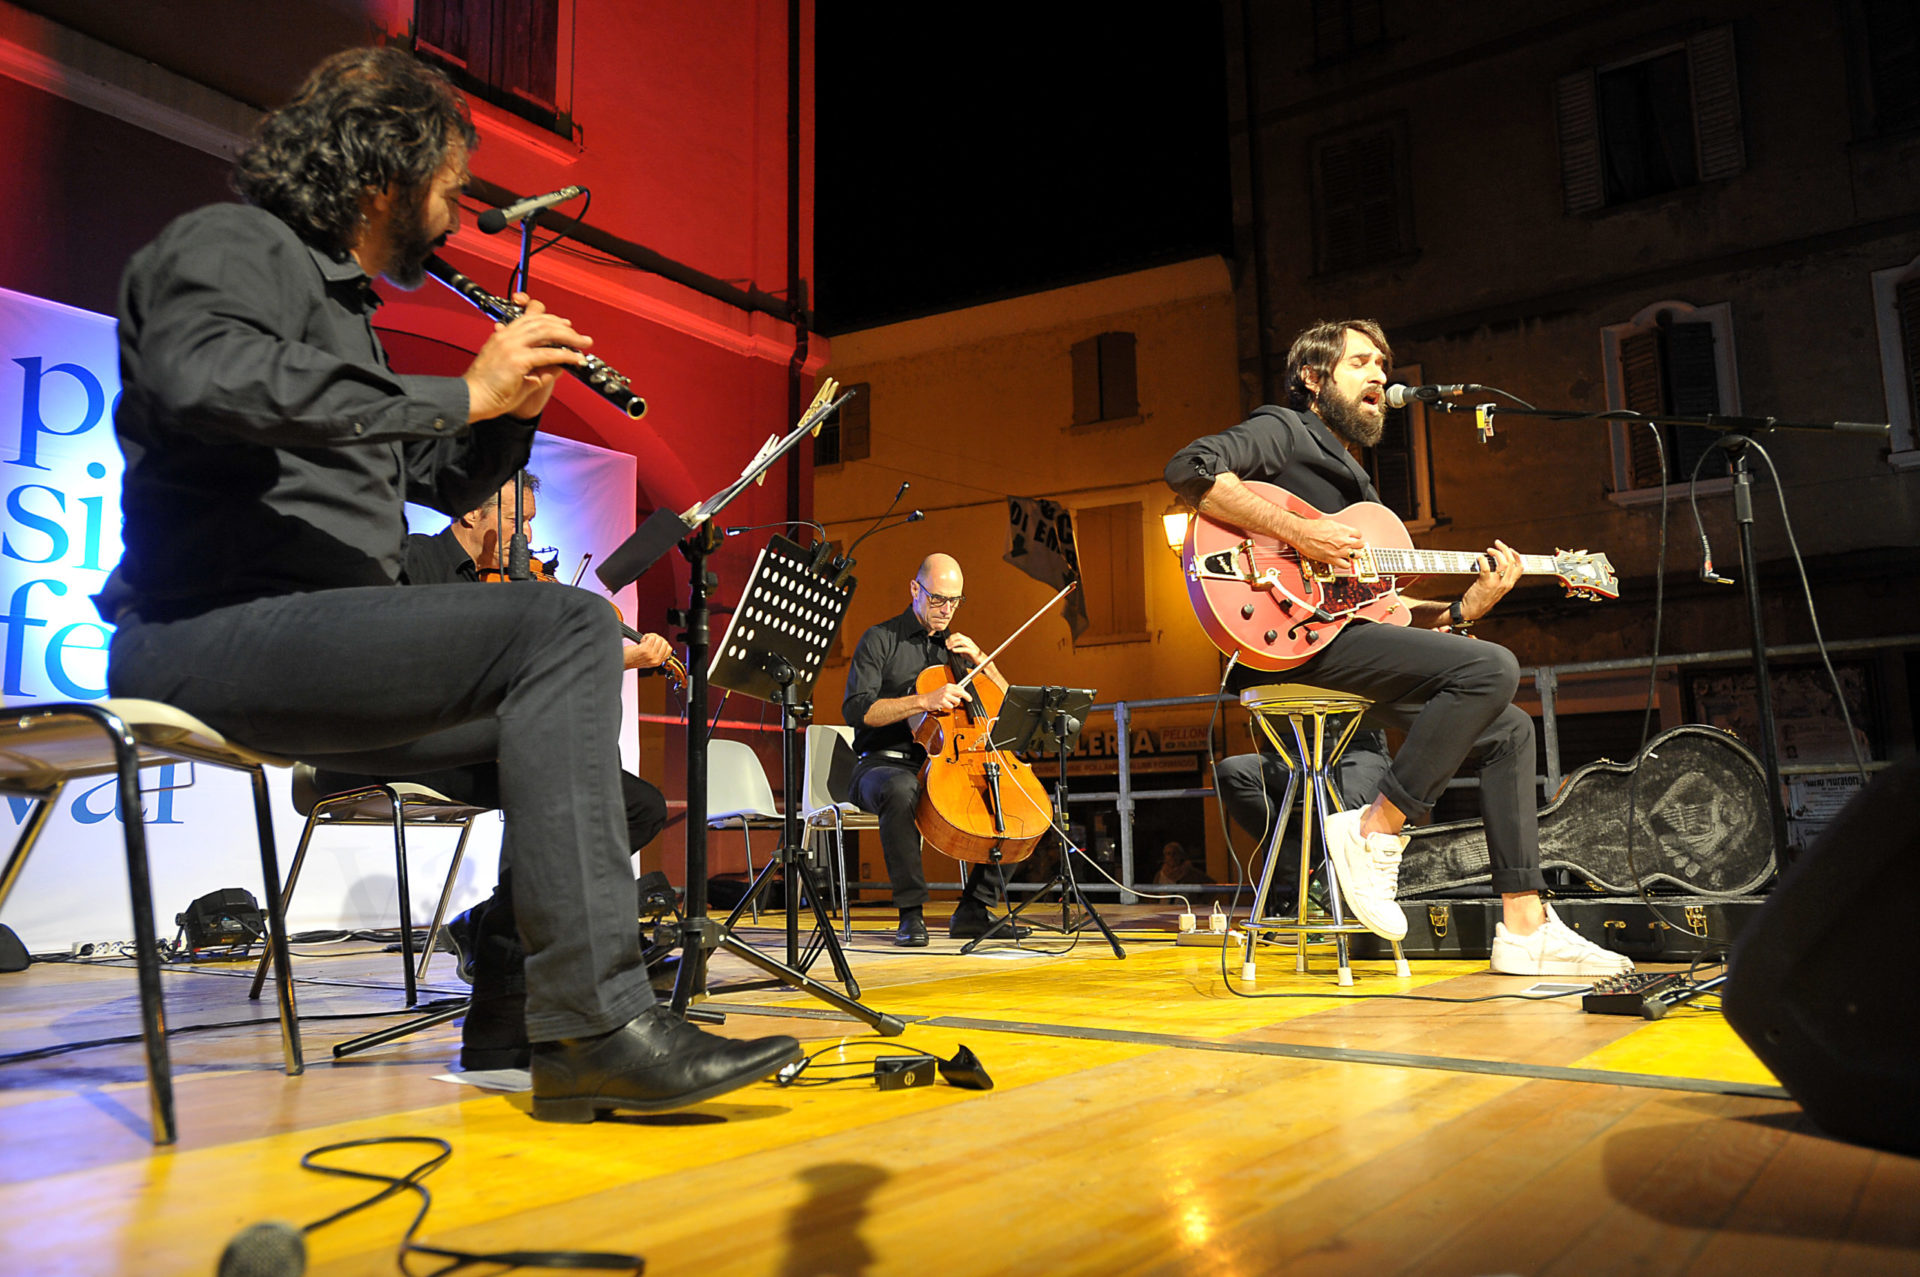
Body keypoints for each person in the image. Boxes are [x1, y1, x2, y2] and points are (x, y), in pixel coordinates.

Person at [97, 46, 800, 1120]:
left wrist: (507, 412)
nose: (457, 216)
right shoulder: (231, 246)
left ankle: (516, 1016)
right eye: (447, 187)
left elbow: (432, 468)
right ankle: (598, 1027)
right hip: (210, 632)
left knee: (603, 792)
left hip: (321, 644)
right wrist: (463, 389)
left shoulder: (348, 313)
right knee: (564, 627)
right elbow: (207, 376)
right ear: (385, 170)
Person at [1165, 319, 1632, 977]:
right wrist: (1302, 534)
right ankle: (1372, 829)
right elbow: (1188, 468)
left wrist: (1466, 607)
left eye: (1384, 364)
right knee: (1493, 666)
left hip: (1344, 636)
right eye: (1362, 362)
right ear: (1312, 377)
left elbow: (1386, 613)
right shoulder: (1284, 428)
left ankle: (1524, 925)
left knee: (1510, 729)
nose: (1381, 375)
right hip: (1292, 637)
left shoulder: (1363, 489)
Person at [312, 472, 680, 1071]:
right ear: (468, 516)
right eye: (519, 521)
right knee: (549, 768)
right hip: (397, 744)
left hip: (481, 746)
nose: (530, 537)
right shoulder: (413, 563)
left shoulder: (518, 583)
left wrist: (609, 652)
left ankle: (489, 935)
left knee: (636, 804)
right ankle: (510, 1005)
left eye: (533, 522)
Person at [841, 554, 1031, 945]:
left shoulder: (957, 650)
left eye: (955, 601)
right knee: (901, 789)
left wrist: (982, 661)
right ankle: (911, 913)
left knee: (1015, 799)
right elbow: (858, 710)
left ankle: (974, 910)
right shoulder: (880, 639)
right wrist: (923, 701)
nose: (946, 610)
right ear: (915, 590)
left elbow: (1007, 703)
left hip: (948, 764)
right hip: (881, 764)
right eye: (938, 599)